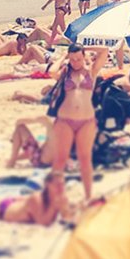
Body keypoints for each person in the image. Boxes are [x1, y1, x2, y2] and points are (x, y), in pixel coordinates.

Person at [45, 48, 106, 204]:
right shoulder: (64, 74)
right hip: (65, 120)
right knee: (60, 159)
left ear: (84, 56)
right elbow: (51, 72)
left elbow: (104, 52)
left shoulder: (91, 71)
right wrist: (63, 57)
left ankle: (88, 196)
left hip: (87, 121)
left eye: (79, 59)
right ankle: (54, 197)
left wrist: (88, 47)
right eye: (73, 59)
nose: (76, 63)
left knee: (85, 159)